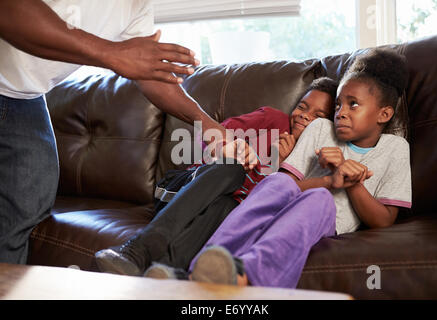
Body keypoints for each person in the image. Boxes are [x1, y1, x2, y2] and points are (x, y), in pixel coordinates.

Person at [0, 0, 239, 264]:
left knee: (27, 205)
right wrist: (112, 53)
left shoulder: (137, 8)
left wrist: (206, 123)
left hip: (25, 98)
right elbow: (9, 10)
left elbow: (148, 75)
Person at [188, 48, 412, 288]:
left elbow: (385, 220)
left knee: (319, 199)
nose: (341, 113)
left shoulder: (396, 148)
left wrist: (354, 184)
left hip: (322, 217)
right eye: (338, 105)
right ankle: (206, 264)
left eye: (353, 105)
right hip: (286, 201)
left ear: (384, 114)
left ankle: (246, 275)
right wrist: (329, 180)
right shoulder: (320, 129)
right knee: (276, 181)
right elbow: (285, 185)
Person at [94, 77, 338, 277]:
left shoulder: (310, 162)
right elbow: (208, 135)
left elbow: (266, 208)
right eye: (303, 107)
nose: (305, 116)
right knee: (232, 168)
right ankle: (138, 249)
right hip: (182, 191)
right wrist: (233, 146)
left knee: (230, 206)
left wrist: (278, 167)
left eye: (318, 115)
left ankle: (164, 273)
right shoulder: (273, 120)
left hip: (219, 214)